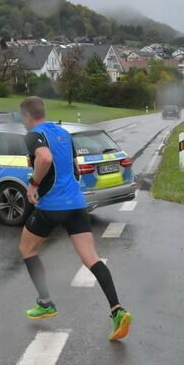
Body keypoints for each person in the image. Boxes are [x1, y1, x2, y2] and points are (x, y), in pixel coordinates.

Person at [18, 96, 132, 341]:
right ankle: (117, 310)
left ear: (27, 116)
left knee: (27, 249)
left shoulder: (33, 135)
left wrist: (33, 183)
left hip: (52, 205)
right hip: (77, 203)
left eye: (22, 117)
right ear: (43, 111)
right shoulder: (63, 133)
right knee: (91, 258)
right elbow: (75, 167)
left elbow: (45, 158)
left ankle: (46, 302)